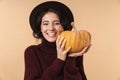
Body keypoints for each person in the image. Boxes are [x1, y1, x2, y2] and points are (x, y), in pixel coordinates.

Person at [24, 1, 91, 80]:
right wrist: (60, 60)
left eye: (56, 23)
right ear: (40, 28)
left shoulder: (75, 50)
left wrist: (71, 58)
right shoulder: (32, 52)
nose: (51, 28)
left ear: (64, 26)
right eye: (45, 23)